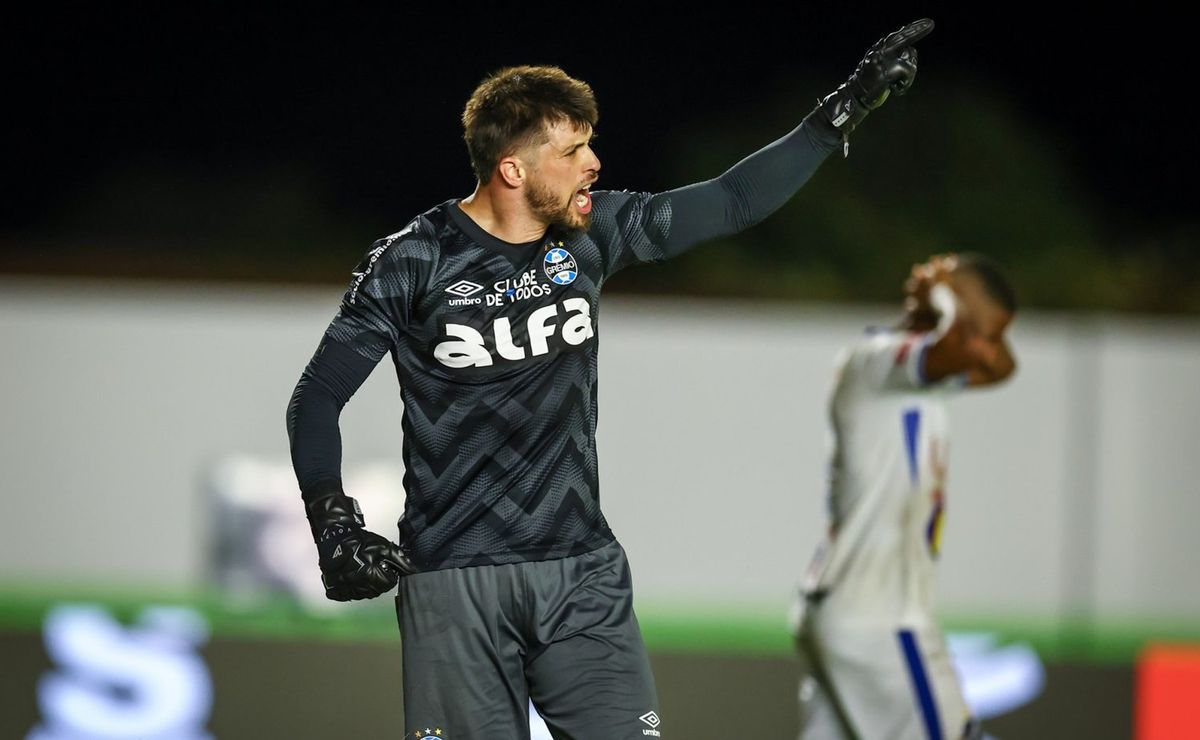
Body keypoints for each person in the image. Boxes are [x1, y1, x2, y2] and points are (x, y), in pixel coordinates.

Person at [286, 19, 934, 739]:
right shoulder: (414, 260)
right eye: (573, 150)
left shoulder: (592, 234)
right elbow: (318, 398)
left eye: (590, 142)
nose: (594, 162)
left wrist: (839, 112)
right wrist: (333, 527)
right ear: (513, 169)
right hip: (454, 579)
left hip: (580, 574)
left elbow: (731, 201)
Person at [791, 252, 1018, 740]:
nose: (985, 344)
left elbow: (998, 365)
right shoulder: (880, 360)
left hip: (850, 610)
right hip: (879, 616)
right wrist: (949, 297)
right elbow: (965, 350)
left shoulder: (923, 377)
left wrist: (959, 301)